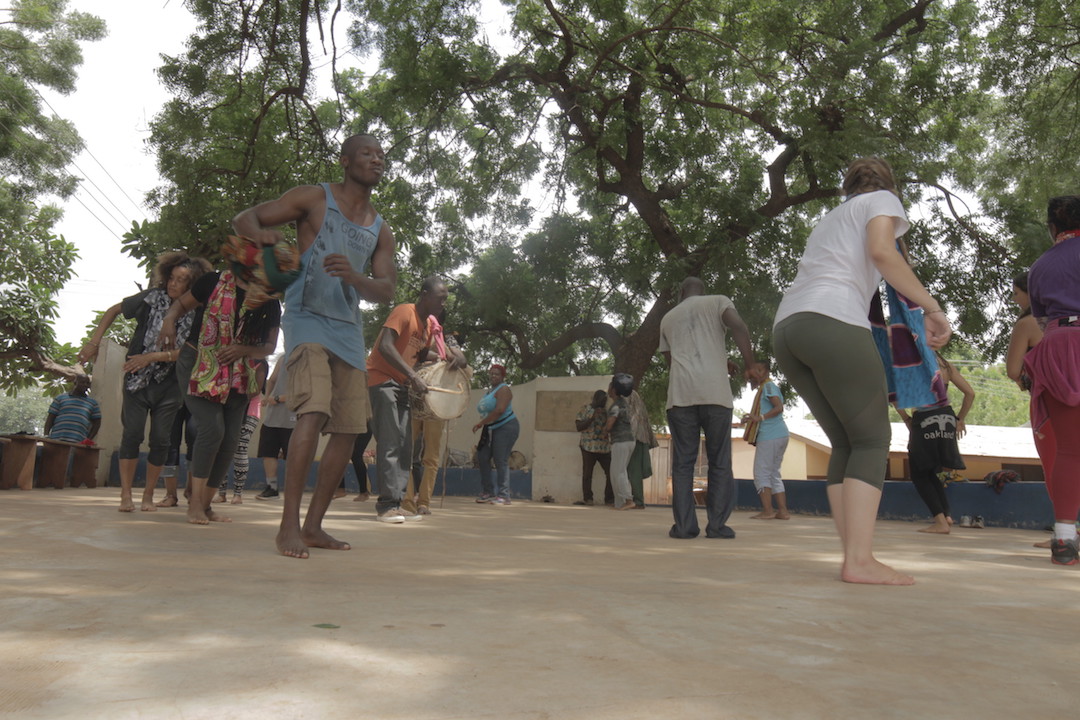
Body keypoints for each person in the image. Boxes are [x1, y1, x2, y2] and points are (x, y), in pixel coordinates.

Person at [772, 157, 951, 585]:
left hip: (788, 328)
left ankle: (854, 555)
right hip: (832, 321)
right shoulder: (882, 201)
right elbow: (882, 252)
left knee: (846, 444)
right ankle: (860, 561)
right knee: (872, 440)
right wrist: (933, 307)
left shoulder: (831, 218)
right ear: (889, 187)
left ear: (846, 187)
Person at [230, 133, 397, 557]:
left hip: (347, 328)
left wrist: (356, 278)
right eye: (367, 153)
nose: (376, 160)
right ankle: (287, 526)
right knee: (314, 410)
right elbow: (245, 219)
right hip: (306, 320)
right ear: (344, 160)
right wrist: (262, 238)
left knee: (348, 427)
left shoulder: (381, 228)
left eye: (381, 155)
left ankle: (314, 526)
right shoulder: (313, 198)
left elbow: (385, 290)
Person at [79, 252, 209, 512]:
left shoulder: (200, 311)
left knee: (161, 440)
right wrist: (94, 342)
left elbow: (191, 352)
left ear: (192, 284)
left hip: (172, 384)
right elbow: (114, 310)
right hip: (137, 379)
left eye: (181, 280)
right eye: (171, 278)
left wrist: (152, 357)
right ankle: (126, 495)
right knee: (132, 435)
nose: (173, 284)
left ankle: (148, 495)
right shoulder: (150, 299)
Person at [160, 263, 281, 525]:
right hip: (197, 364)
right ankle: (195, 505)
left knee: (230, 440)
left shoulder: (269, 300)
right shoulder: (212, 282)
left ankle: (205, 506)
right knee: (212, 429)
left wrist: (243, 350)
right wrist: (169, 319)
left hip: (239, 373)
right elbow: (180, 305)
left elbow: (269, 346)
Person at [659, 277, 755, 540]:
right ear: (703, 290)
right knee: (720, 463)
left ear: (681, 293)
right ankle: (717, 526)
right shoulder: (718, 302)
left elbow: (674, 360)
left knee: (683, 465)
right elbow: (739, 326)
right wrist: (749, 364)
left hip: (681, 397)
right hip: (715, 395)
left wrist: (711, 365)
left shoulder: (668, 318)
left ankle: (685, 527)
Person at [366, 277, 461, 522]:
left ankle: (398, 504)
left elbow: (419, 354)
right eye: (439, 298)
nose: (443, 303)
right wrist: (411, 375)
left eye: (445, 299)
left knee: (406, 446)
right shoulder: (404, 311)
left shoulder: (428, 326)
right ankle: (386, 506)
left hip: (402, 384)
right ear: (424, 294)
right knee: (389, 442)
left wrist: (445, 356)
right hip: (382, 379)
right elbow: (386, 347)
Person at [1023, 194, 1080, 565]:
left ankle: (1064, 540)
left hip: (1059, 346)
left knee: (1070, 450)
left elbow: (1041, 321)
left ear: (1052, 227)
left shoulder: (1040, 266)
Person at [893, 353, 975, 534]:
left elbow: (895, 395)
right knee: (931, 471)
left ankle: (940, 522)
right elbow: (970, 393)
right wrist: (959, 419)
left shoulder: (910, 363)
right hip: (946, 416)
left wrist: (906, 418)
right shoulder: (945, 365)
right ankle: (945, 516)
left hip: (925, 417)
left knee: (919, 473)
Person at [1005, 272, 1053, 549]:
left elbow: (1013, 370)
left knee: (1055, 465)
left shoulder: (1026, 324)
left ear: (1029, 292)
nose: (1014, 298)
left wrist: (1027, 381)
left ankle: (1065, 531)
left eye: (1016, 292)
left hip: (1047, 401)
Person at [405, 313, 468, 516]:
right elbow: (413, 356)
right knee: (406, 453)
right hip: (415, 401)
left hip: (437, 405)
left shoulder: (446, 338)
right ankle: (406, 502)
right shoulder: (416, 334)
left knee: (431, 457)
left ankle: (424, 503)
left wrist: (448, 355)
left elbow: (462, 360)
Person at [742, 362, 790, 520]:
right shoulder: (768, 386)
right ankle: (782, 511)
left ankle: (768, 510)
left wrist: (760, 418)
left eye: (760, 370)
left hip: (770, 435)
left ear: (767, 372)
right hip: (779, 434)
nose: (756, 373)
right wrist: (752, 419)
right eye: (754, 370)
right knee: (774, 473)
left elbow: (778, 407)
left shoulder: (768, 387)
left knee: (761, 473)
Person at [472, 363, 519, 505]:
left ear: (503, 376)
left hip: (506, 427)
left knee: (500, 460)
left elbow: (499, 410)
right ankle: (488, 492)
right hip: (491, 428)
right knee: (482, 457)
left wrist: (481, 423)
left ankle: (504, 495)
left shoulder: (504, 389)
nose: (493, 376)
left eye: (497, 374)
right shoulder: (489, 391)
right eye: (491, 373)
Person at [216, 387, 263, 504]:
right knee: (221, 448)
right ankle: (221, 493)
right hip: (227, 407)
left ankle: (238, 494)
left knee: (240, 447)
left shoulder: (258, 368)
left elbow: (255, 390)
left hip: (249, 410)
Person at [256, 358, 294, 500]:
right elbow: (272, 380)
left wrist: (278, 398)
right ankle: (272, 488)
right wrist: (268, 397)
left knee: (293, 456)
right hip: (272, 418)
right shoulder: (284, 357)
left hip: (292, 418)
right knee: (268, 452)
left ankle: (293, 490)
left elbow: (305, 391)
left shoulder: (306, 359)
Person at [573, 390, 614, 506]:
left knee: (611, 472)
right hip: (588, 446)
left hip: (604, 447)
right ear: (594, 399)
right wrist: (592, 418)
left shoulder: (606, 412)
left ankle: (609, 499)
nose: (603, 404)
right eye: (601, 401)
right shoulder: (585, 409)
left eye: (604, 402)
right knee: (587, 474)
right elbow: (578, 427)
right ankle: (588, 498)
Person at [602, 373, 637, 511]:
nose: (608, 388)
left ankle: (628, 500)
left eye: (610, 386)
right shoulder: (624, 404)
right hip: (628, 441)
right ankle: (619, 502)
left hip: (621, 441)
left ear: (614, 390)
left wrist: (605, 431)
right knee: (617, 471)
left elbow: (610, 423)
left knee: (619, 472)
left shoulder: (616, 406)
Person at [44, 375, 101, 443]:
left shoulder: (93, 403)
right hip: (56, 440)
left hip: (78, 443)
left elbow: (97, 422)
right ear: (75, 383)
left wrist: (88, 439)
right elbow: (50, 418)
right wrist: (46, 436)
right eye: (82, 382)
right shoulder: (60, 398)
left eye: (87, 383)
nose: (85, 385)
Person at [626, 388, 656, 509]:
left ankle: (638, 501)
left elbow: (632, 421)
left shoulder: (630, 403)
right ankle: (636, 499)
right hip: (641, 438)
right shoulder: (638, 402)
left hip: (635, 439)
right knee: (634, 471)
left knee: (634, 472)